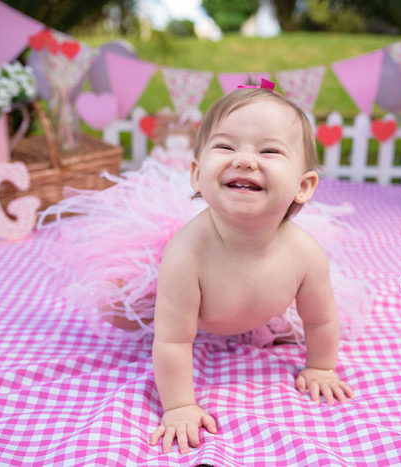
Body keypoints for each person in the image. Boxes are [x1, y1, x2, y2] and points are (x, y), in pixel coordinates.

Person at [38, 80, 371, 454]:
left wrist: (321, 367)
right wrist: (179, 405)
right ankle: (133, 298)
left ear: (304, 186)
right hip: (189, 310)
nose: (244, 159)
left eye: (270, 150)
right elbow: (174, 341)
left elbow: (320, 320)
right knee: (120, 307)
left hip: (255, 309)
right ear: (197, 173)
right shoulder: (186, 254)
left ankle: (258, 323)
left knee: (286, 326)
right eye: (226, 146)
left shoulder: (306, 255)